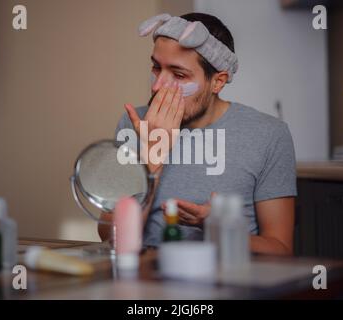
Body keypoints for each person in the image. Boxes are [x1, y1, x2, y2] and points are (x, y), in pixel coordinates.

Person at [98, 12, 297, 256]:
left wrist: (217, 227)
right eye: (156, 67)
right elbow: (112, 237)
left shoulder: (269, 135)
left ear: (218, 82)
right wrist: (152, 157)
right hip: (148, 278)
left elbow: (281, 248)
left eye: (179, 75)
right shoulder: (134, 125)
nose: (157, 86)